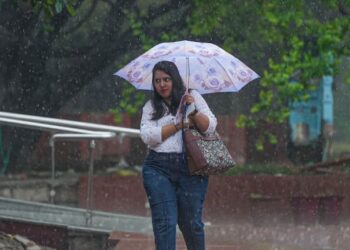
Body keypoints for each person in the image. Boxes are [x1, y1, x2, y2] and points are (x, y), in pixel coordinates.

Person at [140, 60, 217, 250]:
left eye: (166, 79)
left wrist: (194, 110)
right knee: (165, 223)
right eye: (157, 81)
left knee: (192, 224)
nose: (162, 85)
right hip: (158, 168)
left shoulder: (193, 97)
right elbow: (148, 136)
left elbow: (210, 127)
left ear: (174, 79)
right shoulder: (151, 106)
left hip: (191, 167)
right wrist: (177, 125)